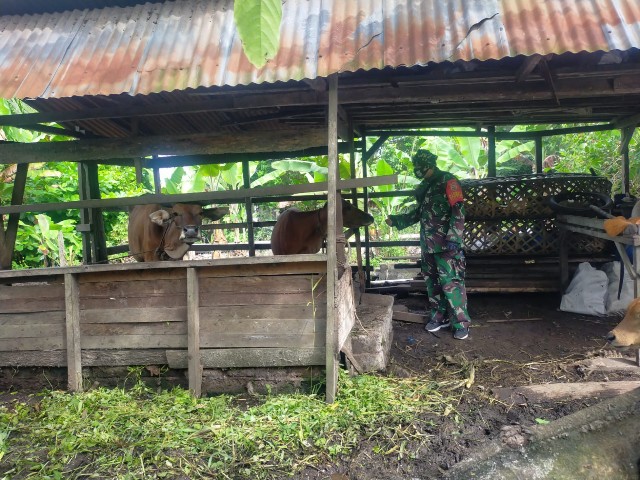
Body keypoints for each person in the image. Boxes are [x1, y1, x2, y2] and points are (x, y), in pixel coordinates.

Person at [386, 149, 471, 340]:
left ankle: (461, 323)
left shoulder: (449, 181)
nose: (417, 170)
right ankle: (439, 317)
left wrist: (454, 238)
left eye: (420, 167)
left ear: (430, 165)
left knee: (451, 283)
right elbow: (419, 213)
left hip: (447, 245)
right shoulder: (425, 186)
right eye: (416, 167)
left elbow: (458, 210)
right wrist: (398, 221)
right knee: (432, 283)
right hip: (428, 245)